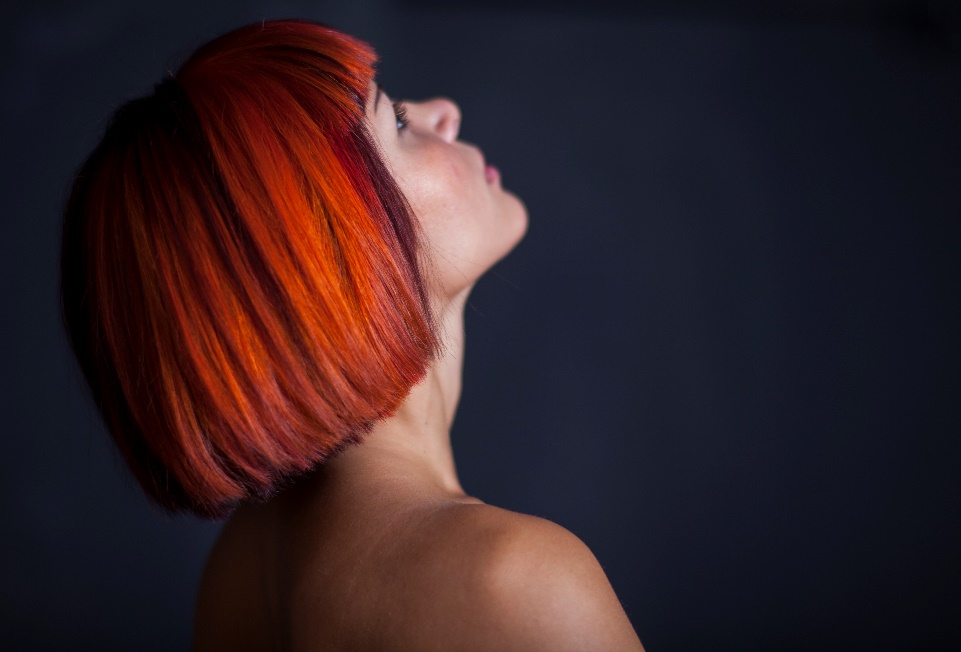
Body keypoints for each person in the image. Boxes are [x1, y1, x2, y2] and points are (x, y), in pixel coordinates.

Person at [59, 19, 643, 651]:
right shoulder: (512, 583)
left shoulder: (238, 574)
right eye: (394, 122)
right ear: (327, 255)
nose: (443, 112)